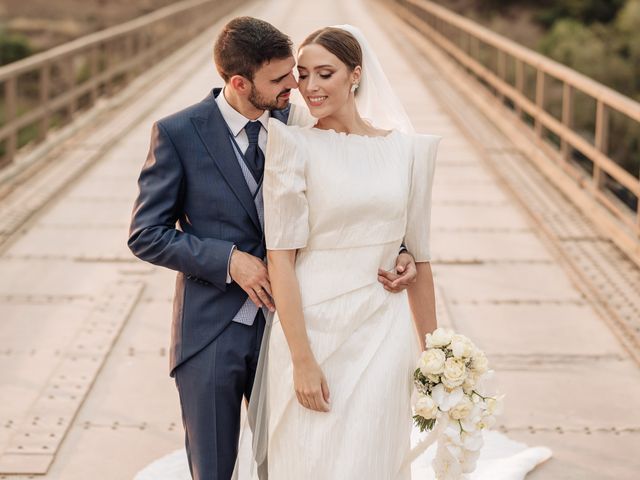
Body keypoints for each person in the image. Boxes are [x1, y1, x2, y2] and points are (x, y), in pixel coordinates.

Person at [127, 17, 418, 480]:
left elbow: (355, 187)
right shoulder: (178, 133)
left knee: (290, 463)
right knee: (215, 468)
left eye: (296, 74)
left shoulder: (298, 119)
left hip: (296, 327)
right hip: (213, 330)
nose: (297, 87)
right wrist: (229, 261)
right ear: (240, 83)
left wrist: (399, 247)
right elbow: (146, 233)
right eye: (283, 79)